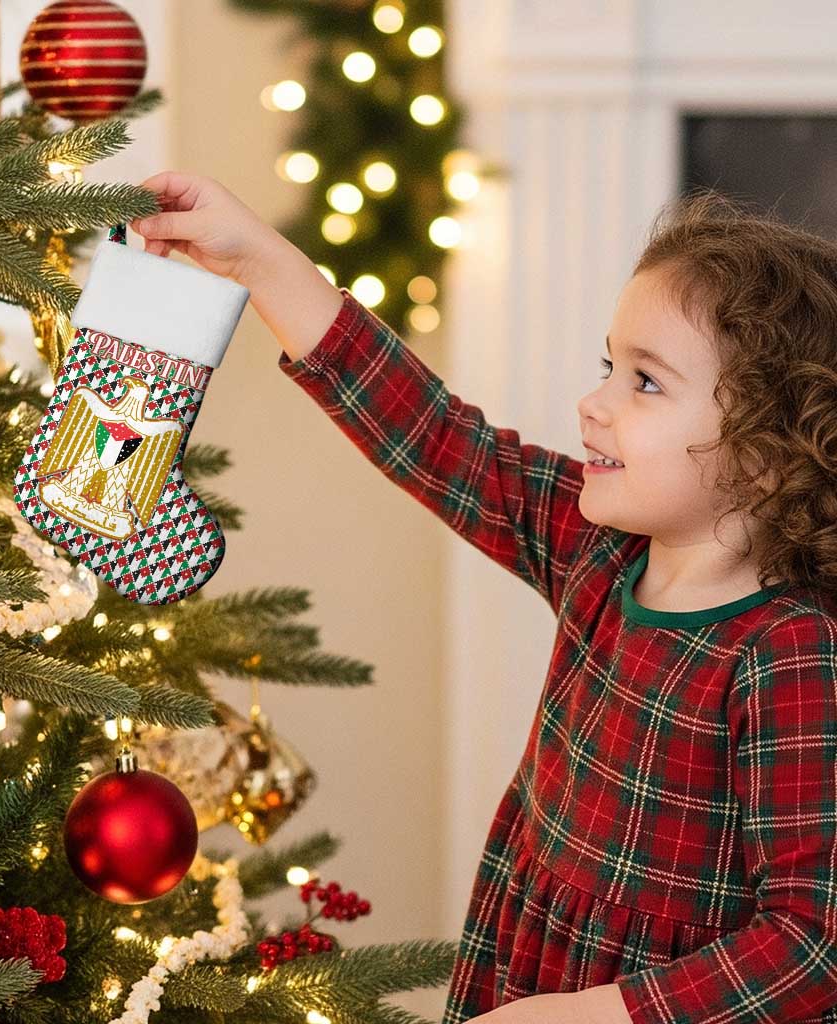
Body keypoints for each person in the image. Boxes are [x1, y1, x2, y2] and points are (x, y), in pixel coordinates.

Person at [130, 174, 837, 1024]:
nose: (595, 403)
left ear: (768, 453)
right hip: (527, 963)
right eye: (610, 367)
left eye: (645, 383)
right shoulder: (599, 552)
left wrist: (591, 1016)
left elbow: (811, 941)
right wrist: (265, 263)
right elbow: (435, 435)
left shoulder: (791, 652)